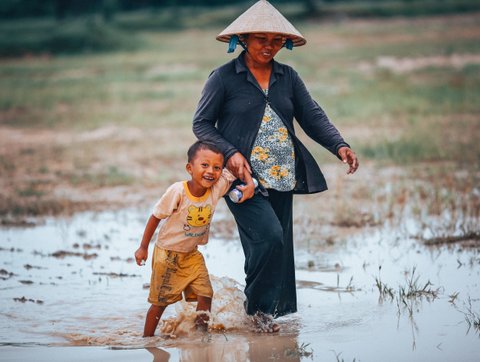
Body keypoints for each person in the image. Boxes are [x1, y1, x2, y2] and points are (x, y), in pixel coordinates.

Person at [192, 0, 359, 332]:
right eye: (260, 39)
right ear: (244, 39)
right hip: (240, 179)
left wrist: (339, 144)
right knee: (268, 239)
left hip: (283, 174)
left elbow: (312, 116)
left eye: (275, 40)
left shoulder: (288, 77)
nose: (268, 47)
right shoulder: (224, 78)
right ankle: (258, 313)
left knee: (277, 245)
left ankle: (263, 315)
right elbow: (202, 124)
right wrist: (229, 153)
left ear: (284, 43)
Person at [134, 141, 240, 337]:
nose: (211, 171)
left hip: (192, 255)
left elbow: (235, 167)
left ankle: (200, 335)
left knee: (206, 295)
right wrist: (143, 247)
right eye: (205, 165)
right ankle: (147, 340)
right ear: (190, 168)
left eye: (217, 167)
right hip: (168, 256)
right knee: (160, 303)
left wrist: (247, 177)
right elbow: (156, 216)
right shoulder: (178, 191)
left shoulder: (215, 189)